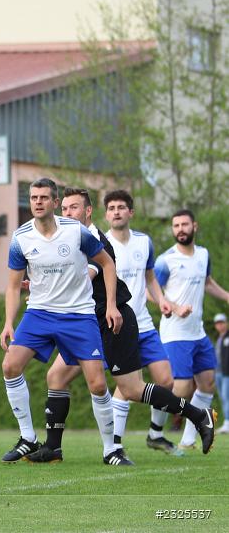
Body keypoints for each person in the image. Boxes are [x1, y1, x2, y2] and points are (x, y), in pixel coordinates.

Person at [25, 188, 213, 464]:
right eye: (64, 208)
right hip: (87, 324)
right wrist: (39, 287)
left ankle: (197, 416)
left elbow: (84, 277)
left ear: (88, 211)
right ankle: (54, 448)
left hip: (113, 322)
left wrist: (46, 291)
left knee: (133, 389)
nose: (67, 213)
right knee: (56, 377)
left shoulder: (94, 240)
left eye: (74, 208)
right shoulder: (68, 239)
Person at [0, 179, 123, 465]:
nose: (37, 202)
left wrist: (111, 306)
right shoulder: (21, 237)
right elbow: (13, 287)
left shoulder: (76, 231)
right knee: (10, 366)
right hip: (40, 313)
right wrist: (8, 322)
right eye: (33, 197)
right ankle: (28, 437)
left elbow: (107, 264)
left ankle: (111, 450)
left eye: (44, 197)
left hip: (79, 314)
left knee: (98, 385)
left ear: (55, 203)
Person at [103, 190, 187, 454]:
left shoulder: (144, 242)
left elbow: (150, 278)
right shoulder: (101, 244)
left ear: (131, 212)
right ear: (106, 214)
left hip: (145, 324)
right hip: (118, 326)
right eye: (111, 208)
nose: (116, 212)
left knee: (166, 380)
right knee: (126, 387)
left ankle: (155, 434)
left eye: (121, 207)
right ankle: (114, 444)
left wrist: (161, 299)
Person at [155, 209, 226, 452]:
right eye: (176, 226)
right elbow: (150, 289)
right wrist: (174, 307)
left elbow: (207, 283)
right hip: (175, 334)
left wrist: (227, 296)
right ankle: (155, 428)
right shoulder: (166, 260)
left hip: (198, 332)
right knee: (181, 390)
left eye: (184, 224)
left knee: (207, 383)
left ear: (194, 226)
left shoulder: (203, 254)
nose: (180, 229)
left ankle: (187, 440)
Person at [213, 313, 229, 434]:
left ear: (226, 323)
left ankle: (227, 423)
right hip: (218, 373)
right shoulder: (219, 338)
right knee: (223, 398)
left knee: (226, 396)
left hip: (226, 373)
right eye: (217, 323)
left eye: (222, 322)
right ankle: (227, 422)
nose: (220, 325)